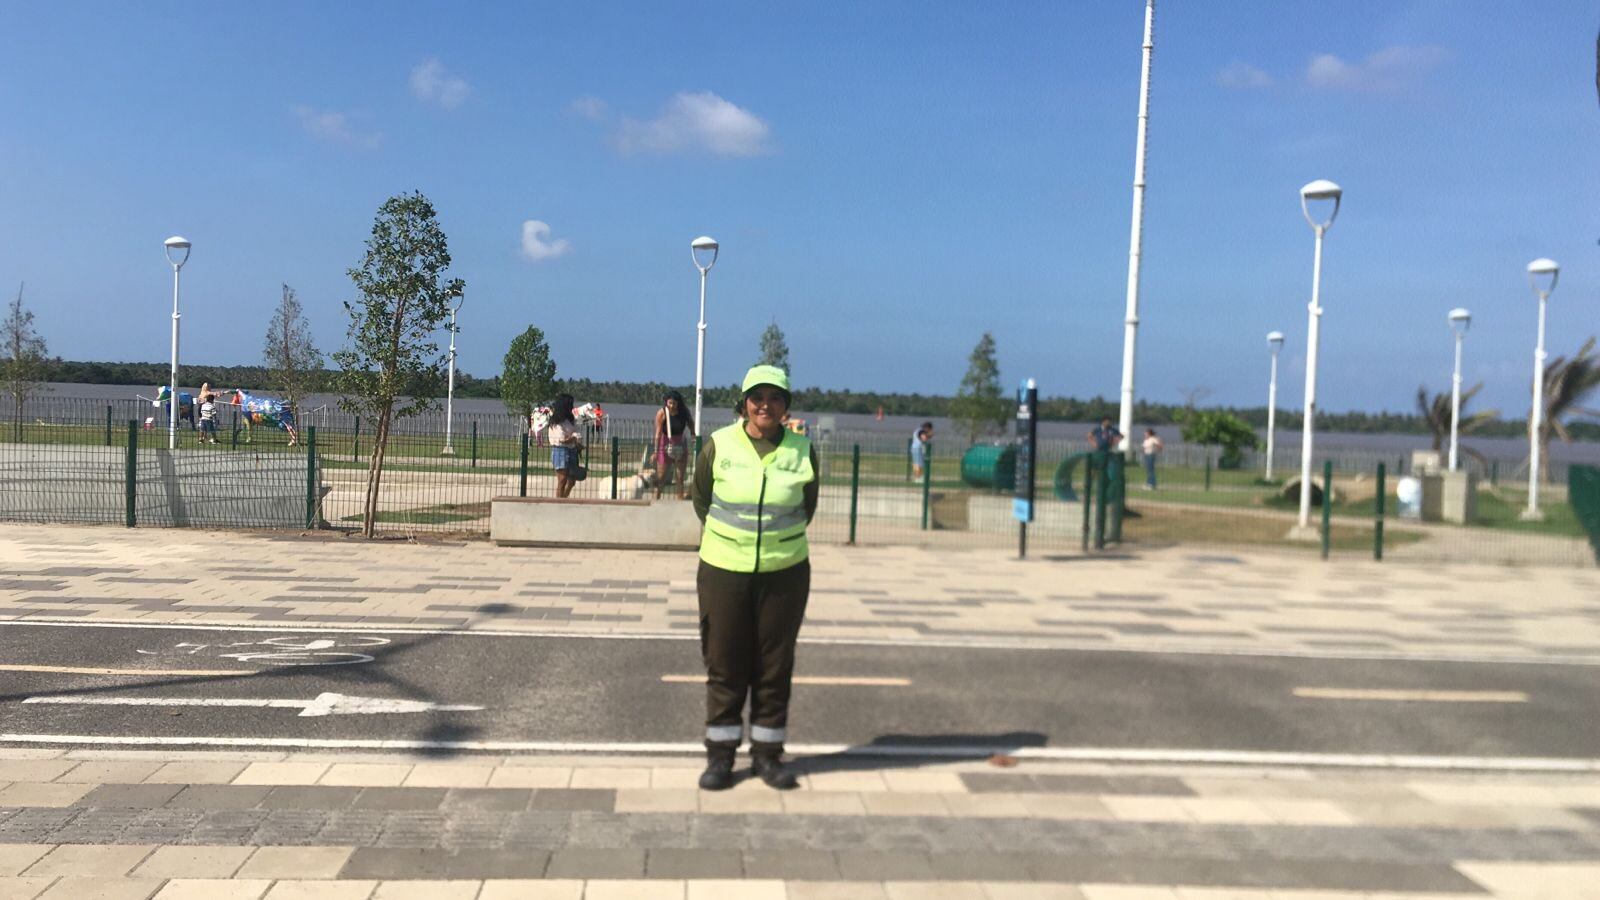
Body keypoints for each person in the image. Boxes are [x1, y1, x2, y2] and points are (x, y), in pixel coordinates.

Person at [691, 365, 820, 792]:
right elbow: (702, 500)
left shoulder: (803, 450)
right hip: (724, 571)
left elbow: (807, 507)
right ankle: (721, 757)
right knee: (725, 664)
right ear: (744, 402)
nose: (766, 404)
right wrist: (732, 542)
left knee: (774, 666)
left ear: (786, 406)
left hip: (784, 574)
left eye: (776, 397)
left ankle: (767, 755)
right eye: (757, 396)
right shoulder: (718, 445)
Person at [653, 391, 696, 500]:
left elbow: (691, 423)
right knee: (661, 477)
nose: (672, 406)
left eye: (674, 403)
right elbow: (658, 433)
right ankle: (655, 499)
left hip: (680, 446)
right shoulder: (661, 413)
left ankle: (679, 500)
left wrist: (693, 434)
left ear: (678, 403)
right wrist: (656, 451)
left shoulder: (684, 412)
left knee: (680, 478)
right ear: (666, 402)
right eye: (670, 403)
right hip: (665, 445)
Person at [547, 393, 583, 498]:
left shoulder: (570, 420)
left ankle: (563, 498)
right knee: (562, 480)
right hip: (560, 450)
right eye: (570, 404)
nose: (572, 406)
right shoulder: (556, 422)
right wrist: (574, 437)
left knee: (572, 480)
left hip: (572, 449)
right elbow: (562, 440)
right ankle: (558, 502)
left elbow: (575, 433)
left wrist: (576, 442)